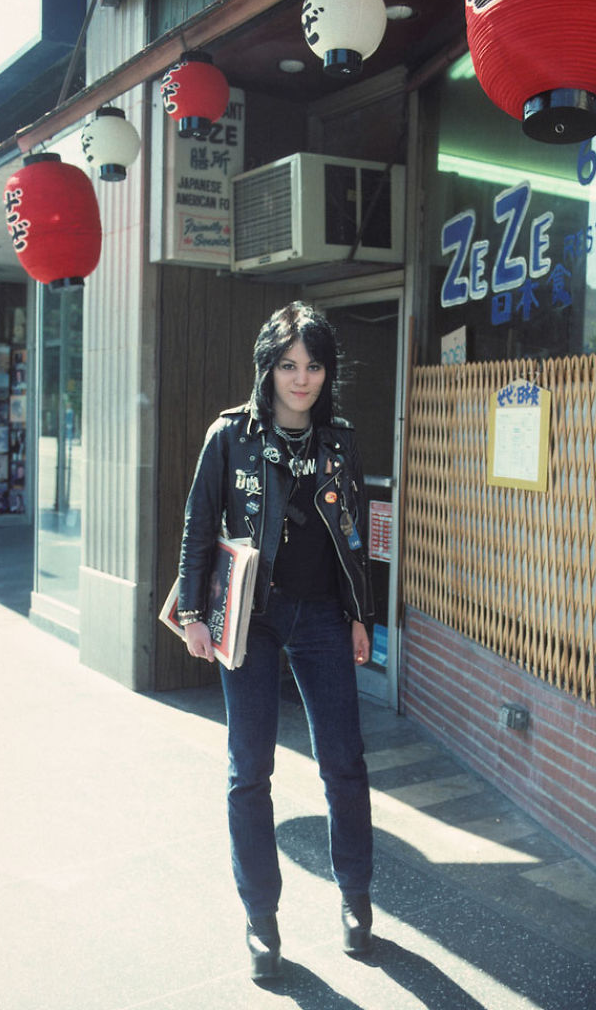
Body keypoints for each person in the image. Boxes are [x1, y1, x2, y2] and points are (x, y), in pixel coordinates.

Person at [177, 301, 374, 982]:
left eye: (314, 364)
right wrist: (195, 612)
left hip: (322, 615)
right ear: (268, 365)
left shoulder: (341, 440)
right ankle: (261, 920)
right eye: (289, 364)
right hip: (250, 618)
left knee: (344, 762)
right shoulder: (228, 436)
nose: (302, 378)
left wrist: (359, 615)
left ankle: (355, 897)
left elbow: (353, 535)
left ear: (327, 370)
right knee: (249, 770)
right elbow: (197, 526)